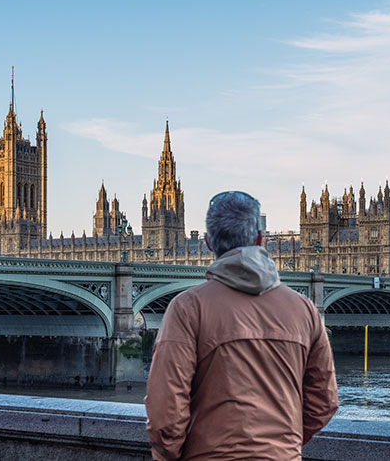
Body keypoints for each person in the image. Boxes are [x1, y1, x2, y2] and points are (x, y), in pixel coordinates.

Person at [145, 191, 338, 461]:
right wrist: (280, 443)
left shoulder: (187, 308)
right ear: (260, 239)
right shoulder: (304, 309)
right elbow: (325, 402)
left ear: (208, 242)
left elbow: (166, 410)